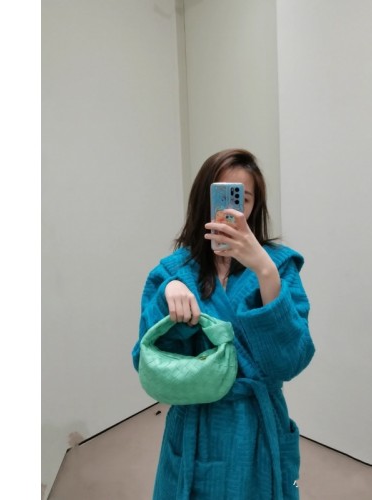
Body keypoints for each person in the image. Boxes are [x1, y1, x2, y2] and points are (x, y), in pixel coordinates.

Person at [132, 148, 315, 499]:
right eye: (223, 196)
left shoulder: (279, 266)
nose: (232, 210)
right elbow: (146, 361)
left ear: (255, 207)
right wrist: (167, 298)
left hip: (256, 424)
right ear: (204, 200)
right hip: (196, 424)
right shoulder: (173, 272)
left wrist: (265, 272)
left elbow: (290, 362)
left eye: (242, 199)